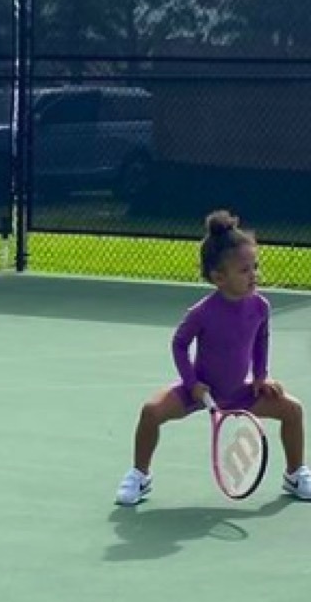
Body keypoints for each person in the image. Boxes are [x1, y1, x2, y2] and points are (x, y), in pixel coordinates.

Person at [116, 209, 311, 506]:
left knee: (293, 411)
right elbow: (179, 344)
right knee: (150, 413)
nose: (254, 275)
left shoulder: (260, 306)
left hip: (242, 393)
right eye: (244, 270)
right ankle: (139, 476)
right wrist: (192, 383)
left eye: (254, 267)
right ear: (219, 277)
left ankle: (295, 474)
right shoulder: (202, 312)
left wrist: (261, 376)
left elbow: (261, 339)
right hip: (200, 392)